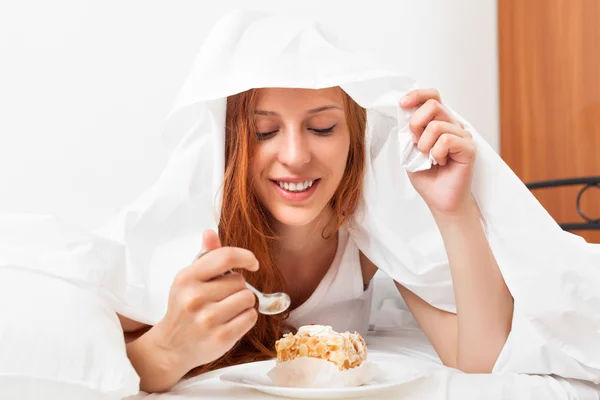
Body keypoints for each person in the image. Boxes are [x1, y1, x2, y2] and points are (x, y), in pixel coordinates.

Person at [117, 84, 513, 393]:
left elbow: (482, 364)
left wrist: (454, 212)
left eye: (322, 127)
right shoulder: (198, 237)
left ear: (353, 136)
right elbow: (96, 359)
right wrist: (166, 352)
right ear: (232, 142)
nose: (294, 155)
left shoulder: (368, 231)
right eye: (265, 131)